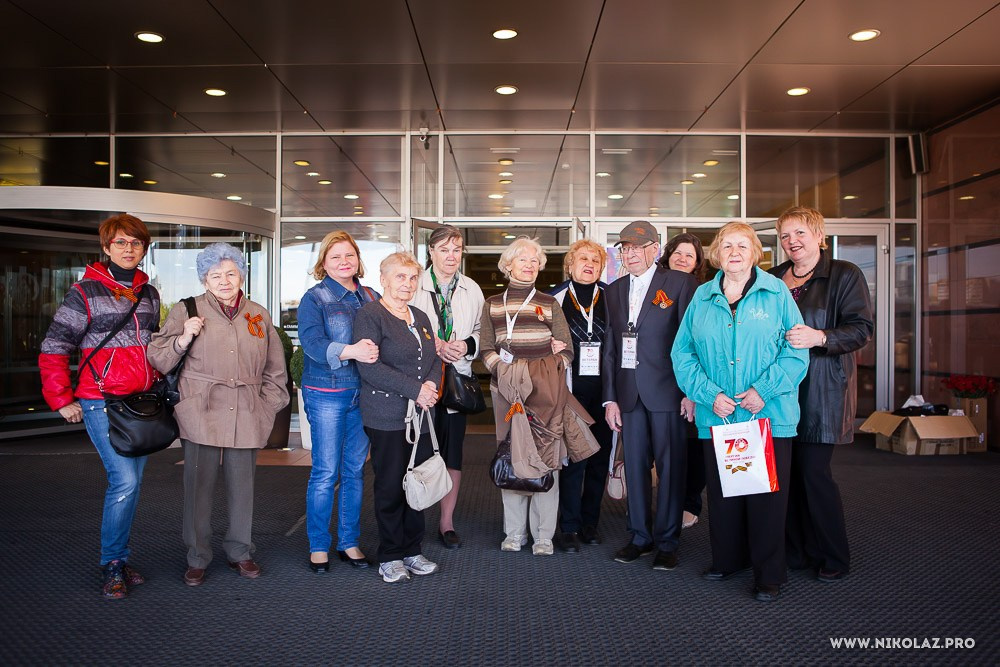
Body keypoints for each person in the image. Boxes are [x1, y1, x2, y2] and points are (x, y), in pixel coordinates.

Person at [671, 221, 808, 602]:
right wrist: (707, 394)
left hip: (767, 415)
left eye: (742, 246)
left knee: (766, 499)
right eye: (727, 245)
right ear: (717, 254)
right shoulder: (701, 297)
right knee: (724, 494)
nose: (734, 252)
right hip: (719, 416)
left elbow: (796, 351)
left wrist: (762, 391)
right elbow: (682, 354)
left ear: (755, 253)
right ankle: (728, 560)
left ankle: (769, 574)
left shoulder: (776, 292)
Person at [148, 243, 289, 587]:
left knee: (243, 486)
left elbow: (275, 368)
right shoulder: (187, 310)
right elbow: (158, 357)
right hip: (201, 411)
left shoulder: (257, 313)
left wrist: (267, 405)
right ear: (205, 279)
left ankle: (240, 551)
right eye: (216, 275)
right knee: (198, 486)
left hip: (246, 409)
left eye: (230, 273)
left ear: (241, 273)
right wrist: (183, 338)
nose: (224, 281)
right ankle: (197, 556)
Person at [39, 214, 161, 599]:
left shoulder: (150, 292)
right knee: (124, 481)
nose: (129, 249)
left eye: (136, 243)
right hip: (99, 402)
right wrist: (61, 399)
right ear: (106, 248)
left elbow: (153, 346)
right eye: (121, 243)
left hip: (141, 403)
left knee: (133, 484)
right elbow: (55, 346)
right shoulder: (85, 292)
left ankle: (120, 558)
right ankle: (112, 563)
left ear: (144, 248)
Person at [771, 206, 874, 583]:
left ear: (819, 236)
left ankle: (833, 554)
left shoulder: (845, 274)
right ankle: (797, 551)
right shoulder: (771, 278)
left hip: (821, 389)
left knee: (814, 474)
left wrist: (821, 337)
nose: (792, 242)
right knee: (786, 475)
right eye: (785, 236)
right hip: (777, 389)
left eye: (799, 233)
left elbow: (861, 328)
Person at [480, 237, 598, 557]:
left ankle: (544, 535)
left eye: (535, 261)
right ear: (509, 265)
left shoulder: (548, 302)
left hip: (545, 393)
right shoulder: (493, 303)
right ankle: (514, 532)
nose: (530, 265)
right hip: (507, 394)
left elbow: (567, 349)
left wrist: (554, 364)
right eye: (523, 260)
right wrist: (505, 374)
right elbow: (486, 350)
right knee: (513, 457)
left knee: (547, 459)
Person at [602, 220, 698, 571]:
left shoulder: (681, 283)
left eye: (637, 247)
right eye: (625, 248)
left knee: (672, 469)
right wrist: (609, 398)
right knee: (635, 468)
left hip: (669, 392)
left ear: (655, 250)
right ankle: (640, 536)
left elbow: (691, 341)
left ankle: (668, 540)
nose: (630, 254)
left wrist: (690, 392)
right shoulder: (613, 291)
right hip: (629, 395)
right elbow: (611, 348)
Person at [354, 252, 442, 583]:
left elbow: (433, 357)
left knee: (416, 482)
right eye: (400, 277)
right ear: (385, 280)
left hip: (419, 414)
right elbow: (369, 367)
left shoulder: (419, 315)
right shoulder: (370, 315)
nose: (407, 284)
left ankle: (412, 549)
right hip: (386, 414)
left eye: (412, 278)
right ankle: (390, 555)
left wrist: (431, 384)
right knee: (391, 485)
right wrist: (415, 389)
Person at [297, 231, 380, 573]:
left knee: (355, 471)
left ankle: (349, 541)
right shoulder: (313, 298)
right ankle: (319, 545)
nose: (344, 262)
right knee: (325, 472)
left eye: (350, 255)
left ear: (358, 259)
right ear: (324, 264)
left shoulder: (372, 296)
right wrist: (351, 351)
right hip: (327, 394)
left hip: (365, 395)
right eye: (336, 257)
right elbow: (312, 344)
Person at [410, 225, 485, 550]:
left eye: (457, 250)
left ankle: (446, 522)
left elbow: (484, 331)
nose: (451, 256)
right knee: (419, 452)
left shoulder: (471, 288)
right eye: (444, 250)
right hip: (422, 383)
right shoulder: (415, 286)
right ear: (431, 252)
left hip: (456, 382)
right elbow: (404, 328)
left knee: (452, 454)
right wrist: (434, 345)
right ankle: (413, 518)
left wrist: (467, 344)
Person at [549, 239, 613, 551]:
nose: (589, 265)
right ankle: (569, 526)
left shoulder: (613, 297)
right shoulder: (553, 298)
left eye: (595, 261)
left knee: (600, 460)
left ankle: (590, 523)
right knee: (575, 460)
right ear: (570, 265)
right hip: (570, 392)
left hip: (606, 394)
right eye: (583, 259)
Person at [659, 233, 708, 531]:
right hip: (661, 379)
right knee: (666, 447)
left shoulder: (703, 293)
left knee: (694, 444)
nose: (682, 259)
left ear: (697, 263)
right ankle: (665, 503)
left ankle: (690, 502)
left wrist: (693, 388)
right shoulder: (655, 289)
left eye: (689, 256)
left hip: (693, 379)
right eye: (678, 253)